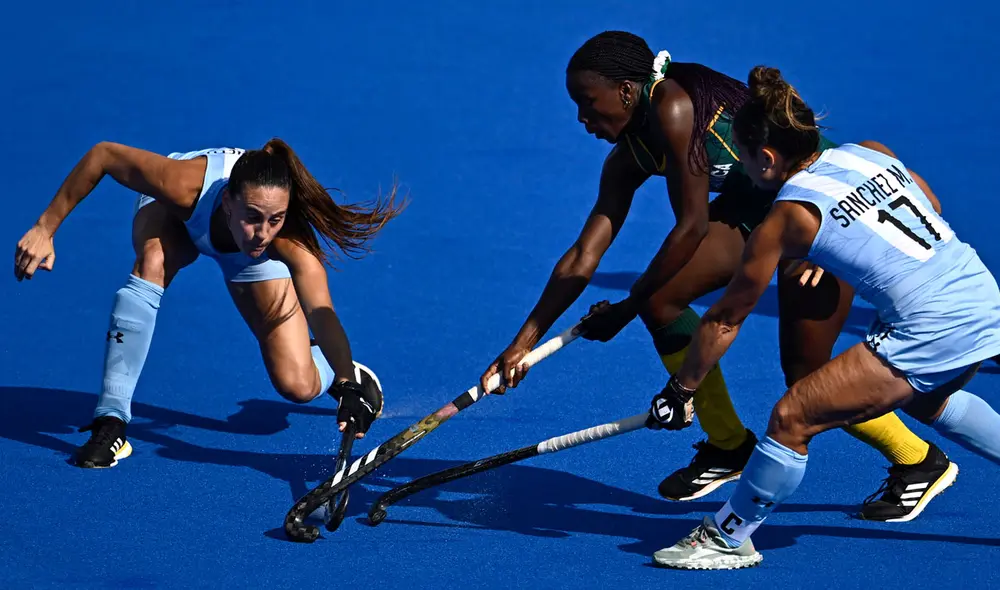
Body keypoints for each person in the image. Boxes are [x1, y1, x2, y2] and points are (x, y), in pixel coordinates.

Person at [479, 30, 955, 521]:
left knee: (808, 378)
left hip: (822, 214)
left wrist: (624, 309)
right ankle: (728, 444)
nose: (583, 120)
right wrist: (523, 344)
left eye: (587, 103)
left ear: (625, 90)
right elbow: (583, 254)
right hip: (758, 210)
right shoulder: (630, 154)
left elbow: (690, 229)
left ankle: (919, 460)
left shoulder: (673, 108)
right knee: (662, 300)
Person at [647, 65, 1000, 569]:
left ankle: (728, 536)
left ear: (766, 158)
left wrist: (682, 390)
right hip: (982, 296)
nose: (742, 172)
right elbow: (931, 204)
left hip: (931, 327)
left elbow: (725, 319)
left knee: (793, 417)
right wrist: (829, 244)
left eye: (743, 160)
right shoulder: (870, 151)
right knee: (928, 400)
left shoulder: (785, 217)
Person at [14, 139, 405, 468]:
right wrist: (45, 229)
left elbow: (322, 315)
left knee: (297, 385)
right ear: (228, 205)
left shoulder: (284, 242)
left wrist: (346, 383)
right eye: (253, 217)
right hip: (180, 221)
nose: (263, 234)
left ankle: (343, 366)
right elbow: (102, 155)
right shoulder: (184, 186)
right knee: (152, 261)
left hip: (242, 260)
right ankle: (110, 422)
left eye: (275, 219)